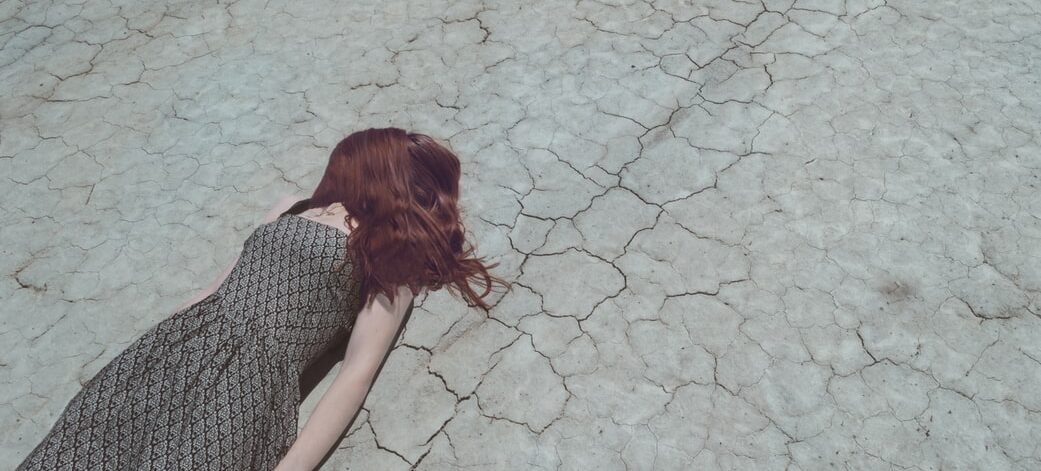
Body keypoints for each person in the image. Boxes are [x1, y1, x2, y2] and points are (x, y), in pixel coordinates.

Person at [15, 127, 510, 470]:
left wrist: (291, 466)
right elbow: (213, 290)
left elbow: (356, 375)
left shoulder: (393, 251)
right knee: (78, 450)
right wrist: (139, 359)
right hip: (171, 352)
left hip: (248, 382)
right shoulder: (291, 206)